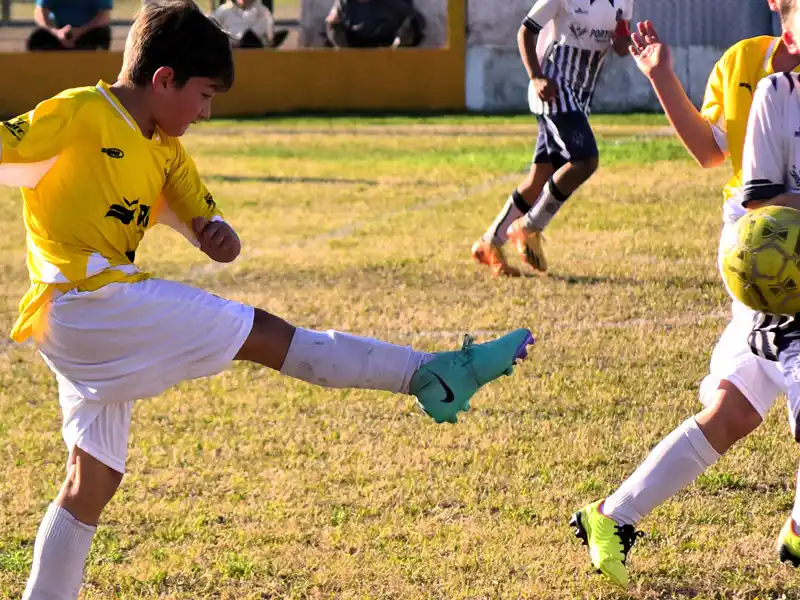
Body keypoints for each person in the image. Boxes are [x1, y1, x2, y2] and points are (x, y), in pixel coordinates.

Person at [1, 2, 534, 597]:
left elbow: (210, 228)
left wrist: (215, 232)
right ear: (163, 79)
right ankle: (428, 374)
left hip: (86, 318)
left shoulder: (167, 150)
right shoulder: (77, 113)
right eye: (204, 95)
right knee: (262, 334)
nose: (206, 112)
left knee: (90, 484)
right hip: (85, 302)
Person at [569, 1, 800, 588]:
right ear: (778, 5)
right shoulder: (752, 67)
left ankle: (611, 517)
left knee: (734, 411)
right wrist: (661, 75)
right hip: (765, 254)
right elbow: (711, 151)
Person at [471, 0, 633, 277]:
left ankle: (489, 243)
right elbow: (526, 31)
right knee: (585, 161)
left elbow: (620, 46)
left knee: (541, 176)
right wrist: (536, 77)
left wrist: (629, 39)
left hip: (580, 97)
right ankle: (529, 226)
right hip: (554, 91)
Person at [325, 0, 425, 48]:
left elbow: (414, 23)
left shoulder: (399, 5)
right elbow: (332, 22)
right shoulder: (345, 4)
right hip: (354, 52)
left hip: (394, 54)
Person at [27, 0, 113, 51]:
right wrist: (56, 32)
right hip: (58, 30)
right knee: (37, 37)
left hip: (88, 30)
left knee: (102, 33)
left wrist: (80, 31)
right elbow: (40, 13)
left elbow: (104, 16)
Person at [212, 0, 288, 49]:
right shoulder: (223, 11)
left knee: (250, 40)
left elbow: (267, 40)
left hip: (253, 56)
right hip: (228, 55)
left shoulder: (263, 13)